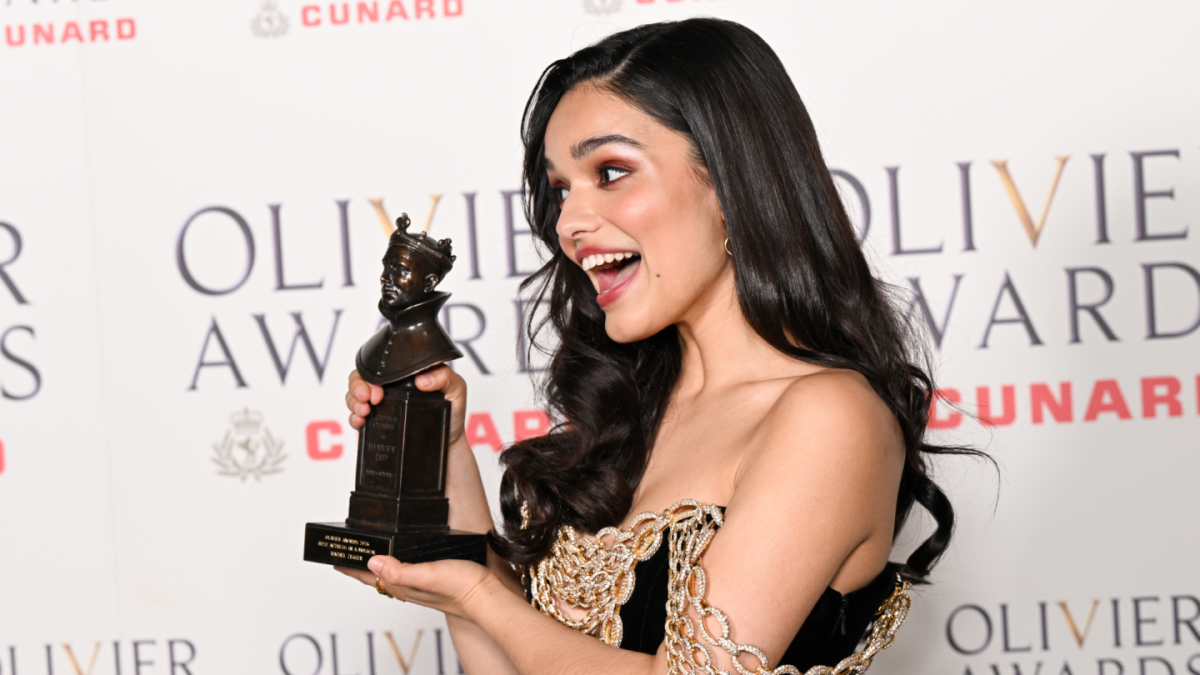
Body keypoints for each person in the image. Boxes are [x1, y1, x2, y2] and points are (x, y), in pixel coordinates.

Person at [339, 17, 972, 675]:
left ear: (730, 183)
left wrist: (478, 595)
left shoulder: (829, 416)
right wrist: (443, 447)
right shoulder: (630, 412)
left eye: (611, 171)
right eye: (561, 189)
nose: (569, 223)